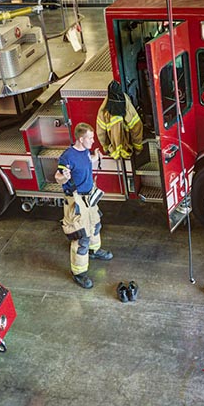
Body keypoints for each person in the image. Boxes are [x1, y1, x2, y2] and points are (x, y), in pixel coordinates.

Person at [55, 123, 113, 288]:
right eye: (90, 138)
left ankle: (94, 251)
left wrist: (95, 156)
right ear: (81, 139)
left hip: (89, 198)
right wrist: (65, 177)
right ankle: (78, 273)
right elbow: (58, 177)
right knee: (81, 237)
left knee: (95, 225)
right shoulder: (67, 157)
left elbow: (86, 161)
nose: (93, 141)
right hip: (76, 202)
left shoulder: (85, 151)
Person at [97, 80, 143, 159]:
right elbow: (136, 129)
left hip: (115, 150)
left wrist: (106, 147)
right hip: (127, 148)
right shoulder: (128, 108)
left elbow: (101, 133)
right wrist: (138, 148)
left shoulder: (103, 111)